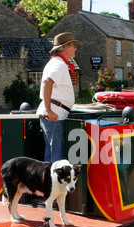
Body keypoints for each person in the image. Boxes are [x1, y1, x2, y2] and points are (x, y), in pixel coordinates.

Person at [36, 32, 82, 162]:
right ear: (65, 47)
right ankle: (53, 182)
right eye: (73, 45)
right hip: (55, 114)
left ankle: (49, 181)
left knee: (52, 154)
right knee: (56, 156)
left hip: (55, 112)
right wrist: (49, 110)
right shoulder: (59, 64)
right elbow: (46, 82)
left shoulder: (56, 62)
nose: (75, 48)